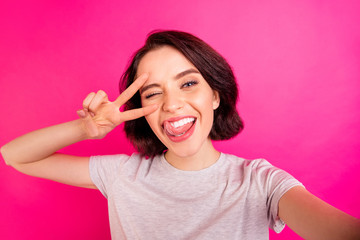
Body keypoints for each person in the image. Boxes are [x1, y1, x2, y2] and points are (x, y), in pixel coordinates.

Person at [1, 30, 359, 240]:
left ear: (215, 94)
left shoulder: (260, 181)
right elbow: (15, 155)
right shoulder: (123, 175)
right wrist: (86, 128)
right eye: (153, 93)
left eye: (188, 83)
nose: (172, 105)